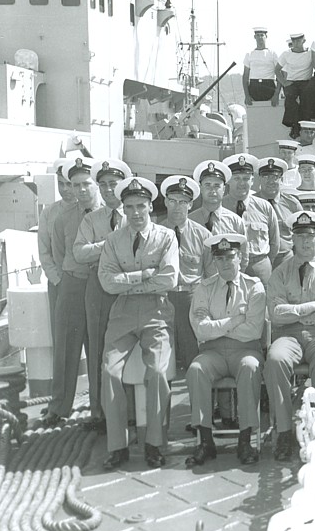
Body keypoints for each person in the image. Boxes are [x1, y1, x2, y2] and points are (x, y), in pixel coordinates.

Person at [98, 176, 179, 470]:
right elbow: (106, 282)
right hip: (122, 313)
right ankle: (117, 445)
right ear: (123, 208)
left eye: (141, 206)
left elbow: (170, 278)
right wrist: (142, 276)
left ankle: (154, 442)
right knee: (109, 371)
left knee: (157, 371)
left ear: (150, 207)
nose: (135, 212)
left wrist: (126, 283)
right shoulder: (113, 241)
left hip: (156, 313)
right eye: (130, 206)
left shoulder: (165, 237)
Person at [265, 211, 315, 461]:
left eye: (311, 236)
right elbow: (275, 314)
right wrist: (309, 307)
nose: (306, 242)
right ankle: (284, 431)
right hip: (287, 336)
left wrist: (296, 314)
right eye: (301, 236)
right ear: (293, 240)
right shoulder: (280, 272)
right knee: (275, 359)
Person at [186, 233, 266, 466]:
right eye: (219, 259)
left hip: (246, 350)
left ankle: (245, 440)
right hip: (212, 352)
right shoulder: (204, 288)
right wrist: (233, 321)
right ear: (213, 261)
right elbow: (200, 330)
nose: (225, 263)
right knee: (196, 369)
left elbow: (253, 330)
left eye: (230, 257)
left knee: (250, 367)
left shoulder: (254, 287)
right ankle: (205, 440)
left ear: (240, 257)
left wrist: (216, 325)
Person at [72, 158, 131, 428]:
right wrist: (108, 244)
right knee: (97, 348)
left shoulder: (135, 213)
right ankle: (99, 412)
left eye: (113, 184)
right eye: (103, 184)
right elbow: (79, 252)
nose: (108, 189)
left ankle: (130, 411)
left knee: (130, 347)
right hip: (97, 286)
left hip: (129, 285)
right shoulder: (91, 219)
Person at [45, 157, 101, 426]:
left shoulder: (111, 215)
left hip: (101, 286)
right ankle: (59, 406)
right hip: (73, 284)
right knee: (66, 345)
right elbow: (58, 253)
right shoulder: (63, 217)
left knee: (99, 347)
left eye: (85, 184)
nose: (80, 190)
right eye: (75, 184)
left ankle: (100, 410)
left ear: (96, 184)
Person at [158, 176, 213, 377]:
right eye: (172, 200)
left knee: (194, 358)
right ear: (165, 202)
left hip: (192, 300)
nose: (177, 206)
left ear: (191, 205)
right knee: (163, 359)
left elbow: (210, 276)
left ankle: (196, 404)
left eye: (183, 202)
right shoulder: (156, 233)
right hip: (163, 300)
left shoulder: (203, 235)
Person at [222, 154, 280, 285]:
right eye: (237, 178)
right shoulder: (220, 207)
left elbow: (275, 243)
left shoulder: (264, 206)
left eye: (246, 178)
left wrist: (263, 263)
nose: (242, 183)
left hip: (259, 266)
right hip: (228, 266)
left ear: (253, 181)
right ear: (228, 181)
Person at [38, 158, 77, 344]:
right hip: (58, 282)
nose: (65, 190)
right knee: (61, 336)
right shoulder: (49, 213)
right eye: (61, 184)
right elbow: (44, 251)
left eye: (69, 184)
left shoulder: (90, 211)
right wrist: (58, 280)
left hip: (83, 280)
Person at [190, 161, 247, 268]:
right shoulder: (190, 221)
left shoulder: (235, 221)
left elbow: (243, 258)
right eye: (207, 185)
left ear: (224, 189)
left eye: (217, 186)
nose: (212, 190)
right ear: (201, 188)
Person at [276, 32, 314, 135]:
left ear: (304, 41)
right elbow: (277, 70)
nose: (296, 43)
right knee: (290, 98)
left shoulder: (310, 53)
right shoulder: (286, 54)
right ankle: (294, 126)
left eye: (298, 40)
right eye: (294, 41)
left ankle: (304, 125)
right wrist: (284, 82)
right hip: (291, 82)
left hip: (306, 81)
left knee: (306, 99)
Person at [243, 27, 279, 106]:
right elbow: (245, 76)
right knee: (255, 114)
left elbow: (279, 74)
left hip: (269, 86)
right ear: (254, 37)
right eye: (258, 35)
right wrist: (247, 95)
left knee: (270, 113)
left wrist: (276, 95)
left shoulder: (272, 54)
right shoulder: (249, 54)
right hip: (254, 87)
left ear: (266, 36)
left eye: (262, 35)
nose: (260, 38)